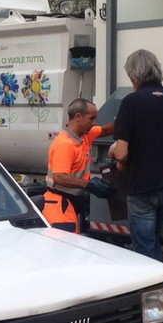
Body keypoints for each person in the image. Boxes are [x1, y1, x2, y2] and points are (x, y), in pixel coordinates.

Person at [111, 49, 163, 260]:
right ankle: (161, 283)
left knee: (144, 249)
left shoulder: (131, 103)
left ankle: (150, 289)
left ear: (133, 75)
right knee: (155, 241)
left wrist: (124, 159)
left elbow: (121, 153)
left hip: (142, 188)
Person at [44, 98, 114, 232]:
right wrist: (90, 185)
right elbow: (60, 177)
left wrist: (130, 119)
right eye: (91, 119)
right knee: (64, 249)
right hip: (60, 207)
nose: (94, 123)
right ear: (78, 117)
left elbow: (105, 130)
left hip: (71, 203)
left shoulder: (85, 136)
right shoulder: (65, 144)